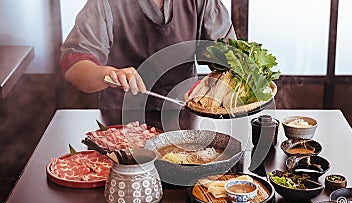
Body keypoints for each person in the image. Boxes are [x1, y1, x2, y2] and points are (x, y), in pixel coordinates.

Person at [60, 0, 236, 126]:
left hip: (182, 115)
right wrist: (111, 74)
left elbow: (228, 59)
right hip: (122, 119)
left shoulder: (203, 2)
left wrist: (237, 70)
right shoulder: (105, 3)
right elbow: (75, 65)